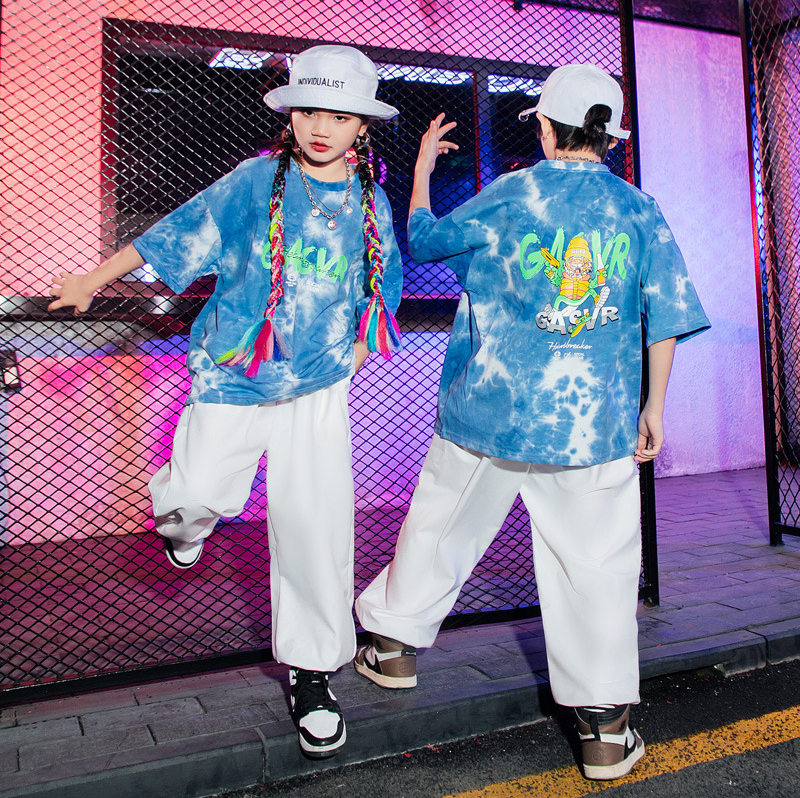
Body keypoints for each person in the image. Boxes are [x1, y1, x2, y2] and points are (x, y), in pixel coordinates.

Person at [353, 63, 709, 780]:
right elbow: (665, 312)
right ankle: (604, 729)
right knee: (596, 566)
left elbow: (426, 241)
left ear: (544, 126)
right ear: (611, 136)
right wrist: (654, 407)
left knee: (442, 523)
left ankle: (392, 650)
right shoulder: (638, 208)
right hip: (593, 421)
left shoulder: (513, 193)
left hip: (492, 408)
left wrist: (421, 172)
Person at [47, 44, 402, 760]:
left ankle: (312, 675)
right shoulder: (252, 182)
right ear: (290, 115)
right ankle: (185, 529)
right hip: (233, 372)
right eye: (309, 111)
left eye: (339, 116)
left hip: (317, 385)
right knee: (196, 492)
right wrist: (92, 279)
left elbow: (381, 285)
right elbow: (171, 236)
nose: (321, 128)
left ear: (362, 126)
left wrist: (359, 351)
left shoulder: (371, 201)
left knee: (314, 529)